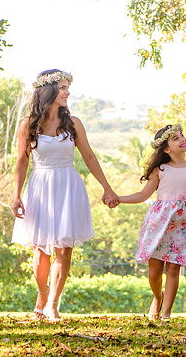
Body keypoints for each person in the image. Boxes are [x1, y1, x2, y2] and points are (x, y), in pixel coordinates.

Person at [11, 69, 118, 322]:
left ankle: (52, 304)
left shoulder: (73, 124)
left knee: (64, 249)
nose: (67, 92)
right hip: (40, 187)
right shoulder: (28, 125)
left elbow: (89, 157)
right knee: (40, 252)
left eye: (67, 88)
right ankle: (42, 293)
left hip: (68, 185)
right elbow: (21, 162)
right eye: (62, 88)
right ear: (48, 91)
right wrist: (16, 195)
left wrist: (107, 188)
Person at [115, 124, 186, 321]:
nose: (182, 139)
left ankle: (166, 313)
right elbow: (143, 195)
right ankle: (157, 298)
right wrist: (119, 198)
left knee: (173, 267)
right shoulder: (161, 170)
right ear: (166, 148)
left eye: (182, 135)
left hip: (181, 224)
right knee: (154, 271)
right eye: (175, 138)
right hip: (159, 222)